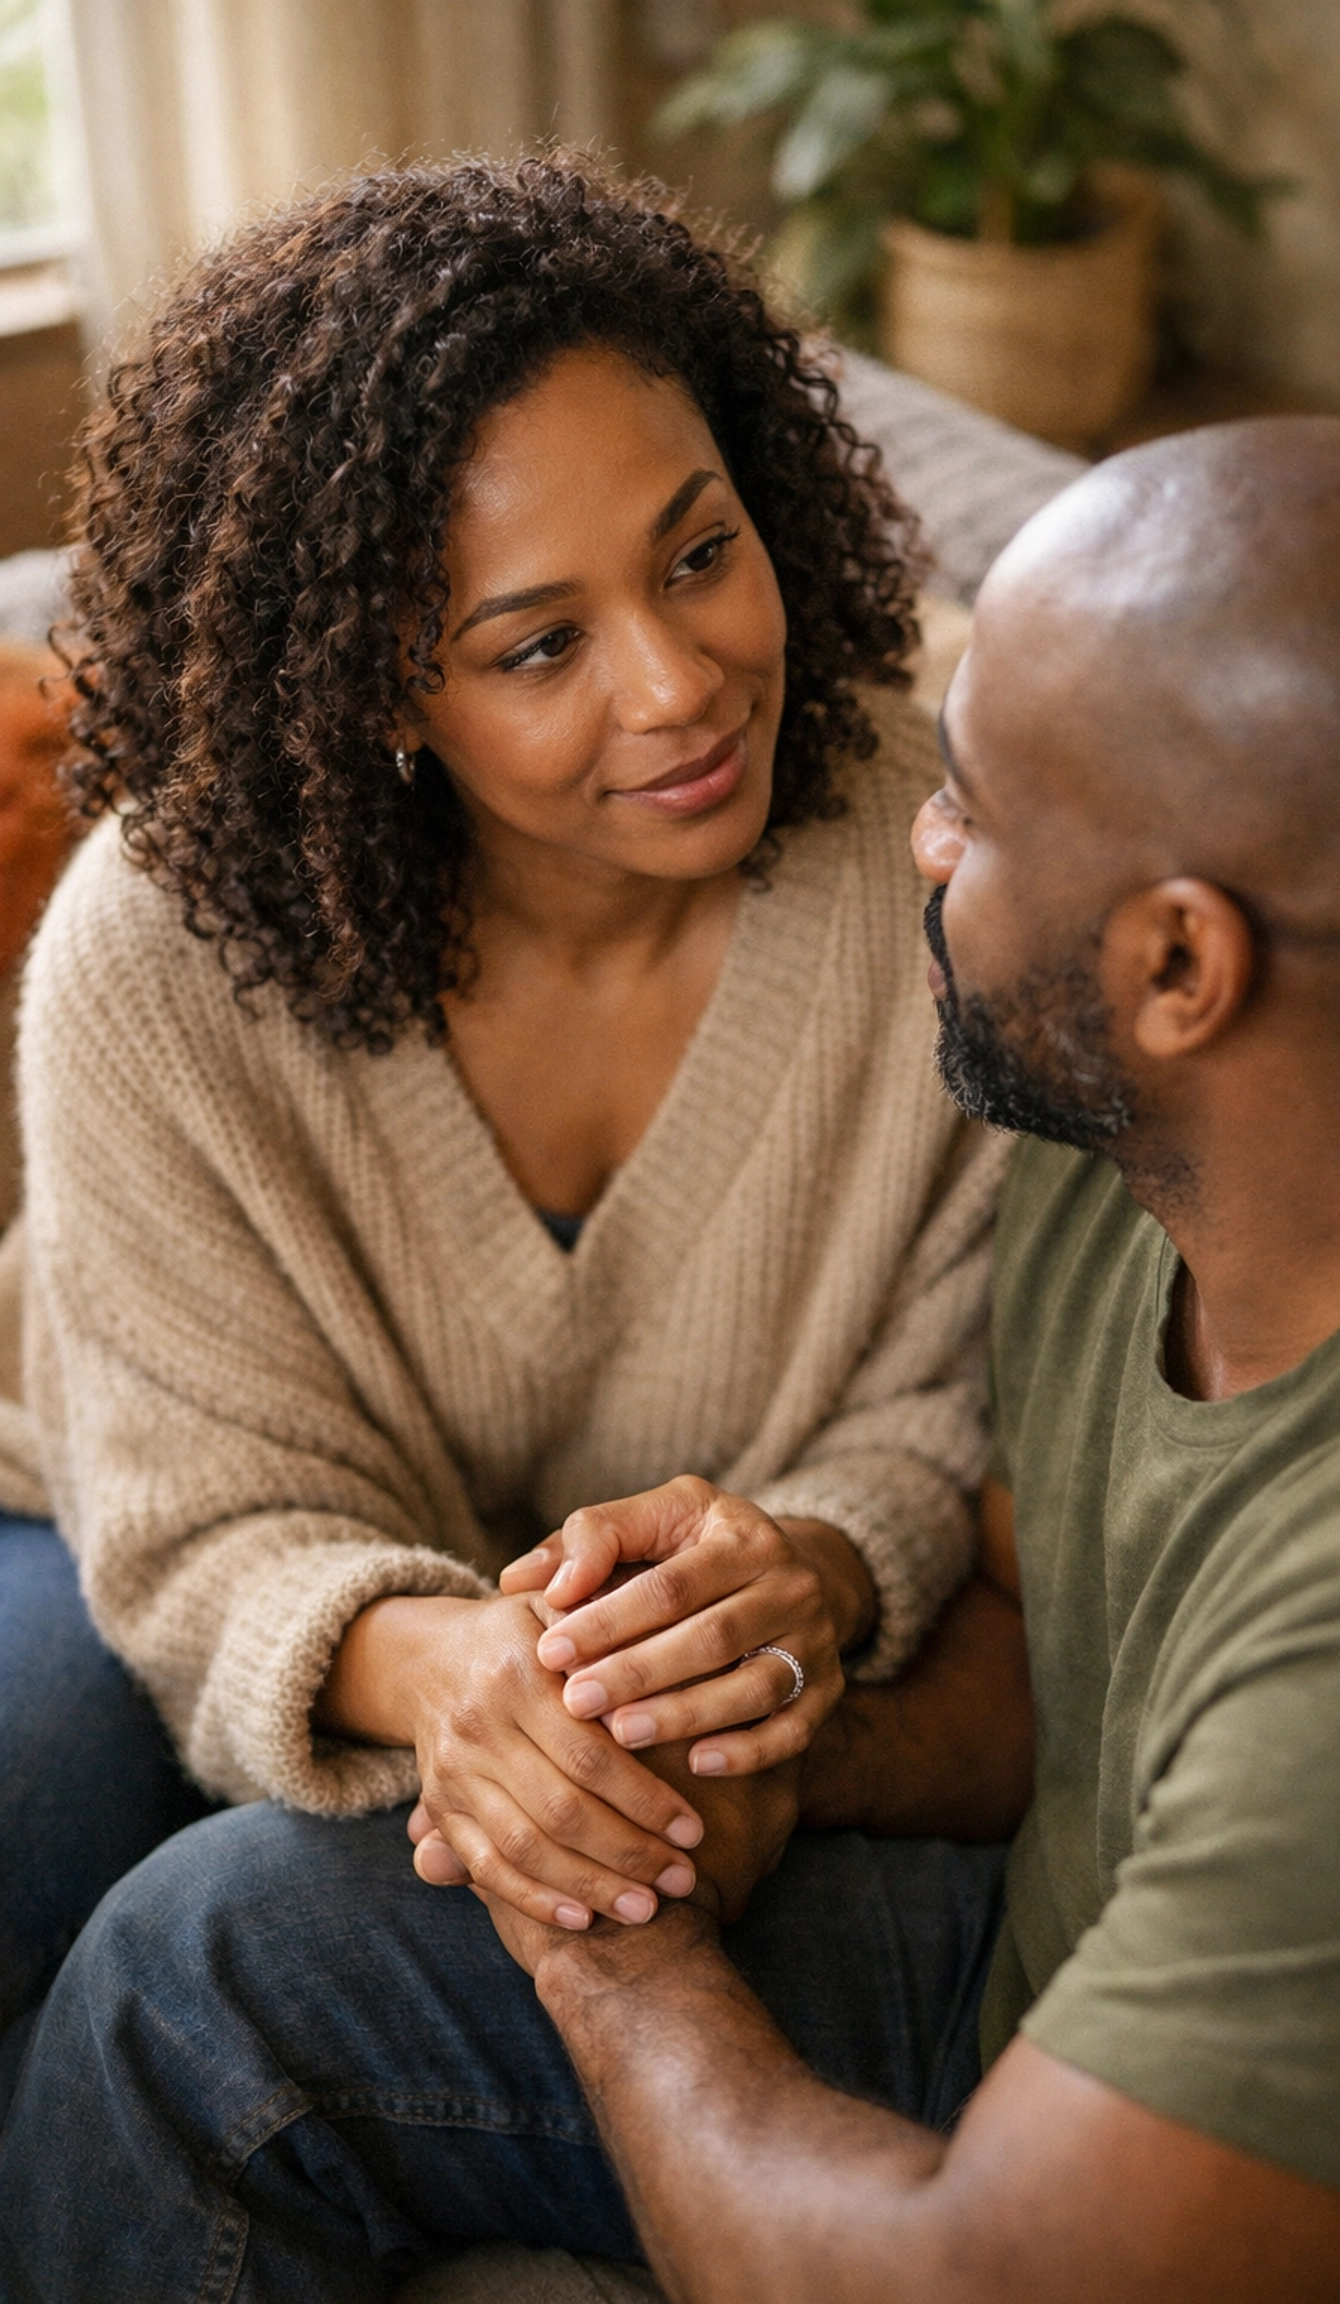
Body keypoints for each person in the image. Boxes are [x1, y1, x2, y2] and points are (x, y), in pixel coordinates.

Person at [7, 408, 1340, 2304]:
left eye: (973, 802)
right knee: (201, 1968)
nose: (911, 826)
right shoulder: (1138, 1134)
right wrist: (758, 1771)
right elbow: (1044, 1654)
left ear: (1176, 968)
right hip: (1037, 1947)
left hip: (1145, 2195)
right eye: (539, 641)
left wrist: (605, 1942)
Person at [0, 152, 1009, 2056]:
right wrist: (449, 1663)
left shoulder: (943, 855)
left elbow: (945, 1399)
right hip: (116, 1520)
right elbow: (194, 1520)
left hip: (677, 1686)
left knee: (200, 1955)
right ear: (382, 690)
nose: (683, 685)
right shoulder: (154, 953)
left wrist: (809, 1567)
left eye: (701, 552)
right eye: (539, 647)